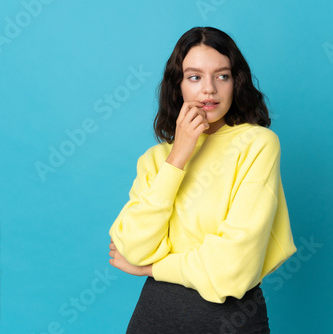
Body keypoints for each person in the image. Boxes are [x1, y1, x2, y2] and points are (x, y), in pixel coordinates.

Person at [108, 26, 297, 333]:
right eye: (195, 77)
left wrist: (150, 268)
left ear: (236, 83)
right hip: (152, 319)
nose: (209, 89)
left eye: (222, 76)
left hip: (230, 322)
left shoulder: (257, 144)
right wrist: (178, 157)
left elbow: (232, 270)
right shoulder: (156, 160)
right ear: (178, 85)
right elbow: (131, 247)